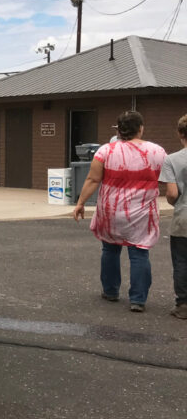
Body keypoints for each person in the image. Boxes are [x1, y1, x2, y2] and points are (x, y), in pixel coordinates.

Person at [73, 110, 167, 313]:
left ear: (119, 129)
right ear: (140, 128)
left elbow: (92, 179)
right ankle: (138, 299)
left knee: (110, 249)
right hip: (142, 211)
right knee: (139, 252)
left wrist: (80, 203)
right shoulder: (157, 152)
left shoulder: (105, 151)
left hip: (111, 209)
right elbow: (168, 179)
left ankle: (110, 291)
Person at [160, 114, 187, 319]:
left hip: (183, 218)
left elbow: (171, 194)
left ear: (180, 133)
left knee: (181, 262)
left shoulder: (172, 160)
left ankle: (183, 305)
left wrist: (175, 203)